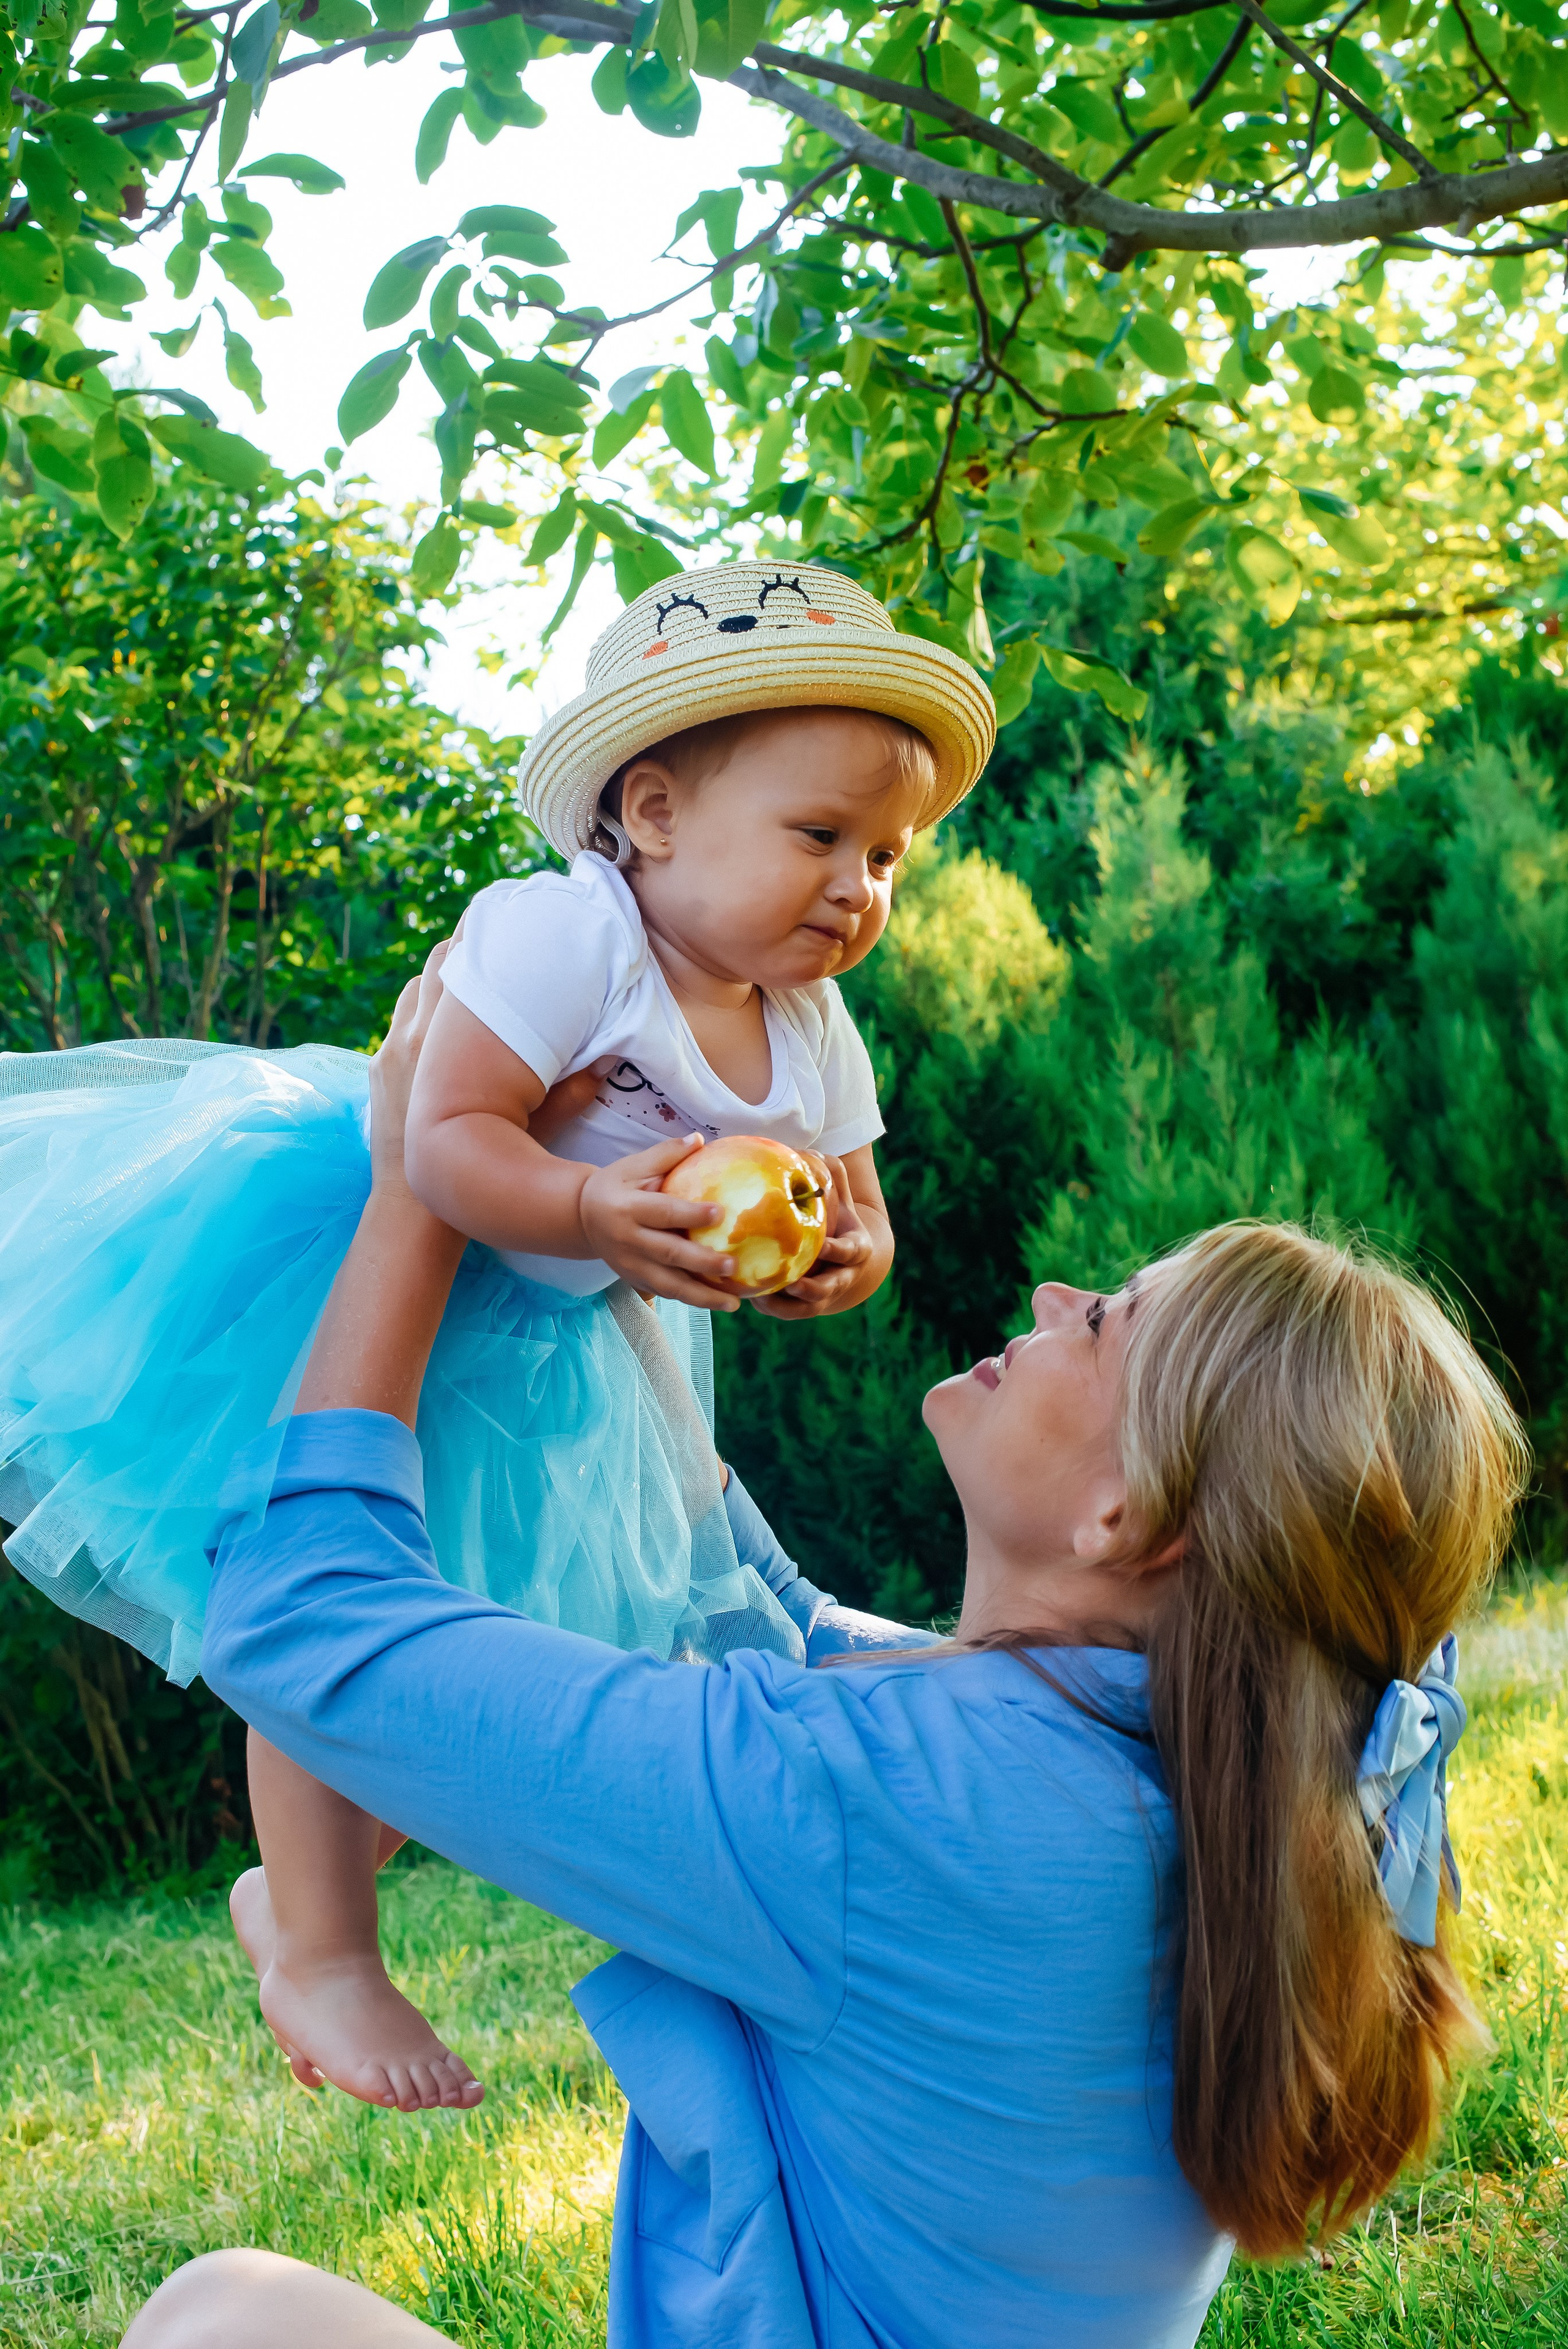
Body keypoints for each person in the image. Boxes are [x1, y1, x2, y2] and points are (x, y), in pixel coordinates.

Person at [121, 947, 1525, 2349]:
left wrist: (412, 1197)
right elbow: (758, 1610)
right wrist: (611, 1253)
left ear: (1128, 1514)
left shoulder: (905, 1801)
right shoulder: (1176, 1773)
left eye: (1101, 1322)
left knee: (215, 2321)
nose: (1045, 1299)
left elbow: (303, 1613)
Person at [0, 557, 995, 2113]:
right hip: (362, 1249)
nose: (859, 888)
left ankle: (297, 1882)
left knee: (453, 1636)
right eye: (820, 837)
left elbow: (859, 1214)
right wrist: (594, 1215)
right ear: (654, 814)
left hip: (561, 1353)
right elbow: (447, 1142)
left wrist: (832, 1265)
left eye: (888, 854)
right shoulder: (561, 934)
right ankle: (325, 1940)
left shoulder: (804, 1014)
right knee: (325, 1578)